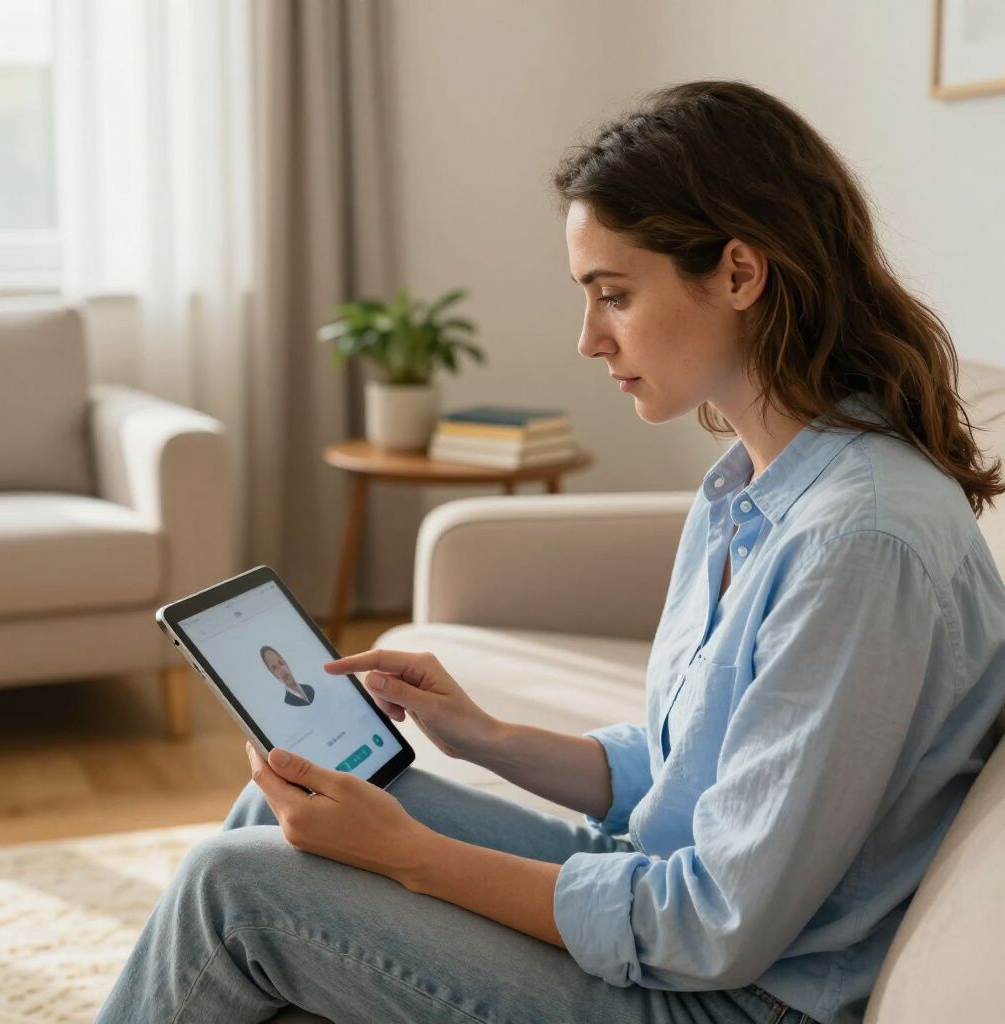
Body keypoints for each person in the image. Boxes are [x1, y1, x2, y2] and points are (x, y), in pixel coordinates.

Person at [95, 80, 1005, 1024]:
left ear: (740, 272)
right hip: (666, 909)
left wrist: (408, 855)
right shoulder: (749, 491)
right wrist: (483, 736)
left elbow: (714, 925)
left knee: (232, 887)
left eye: (614, 294)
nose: (587, 338)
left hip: (735, 1000)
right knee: (282, 817)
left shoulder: (861, 543)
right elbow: (683, 772)